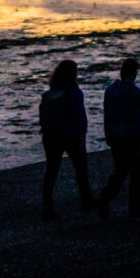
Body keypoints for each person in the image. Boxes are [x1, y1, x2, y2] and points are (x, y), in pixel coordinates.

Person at [39, 59, 93, 220]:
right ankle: (86, 200)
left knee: (51, 171)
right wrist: (82, 141)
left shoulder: (50, 93)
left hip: (50, 136)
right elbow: (80, 119)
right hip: (69, 136)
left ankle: (48, 206)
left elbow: (42, 118)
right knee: (81, 167)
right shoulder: (75, 93)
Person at [97, 57, 140, 220]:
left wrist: (108, 134)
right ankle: (135, 210)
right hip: (132, 136)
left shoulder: (110, 91)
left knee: (120, 171)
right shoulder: (137, 92)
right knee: (136, 174)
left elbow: (107, 115)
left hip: (115, 135)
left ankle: (105, 197)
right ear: (134, 73)